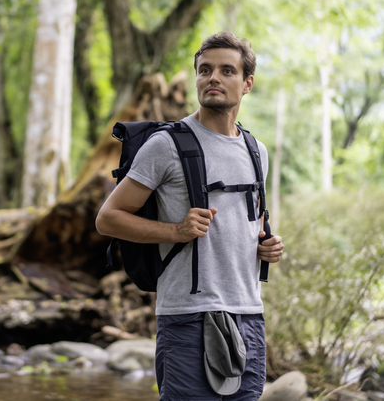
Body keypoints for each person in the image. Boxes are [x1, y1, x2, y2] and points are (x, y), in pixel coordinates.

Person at [95, 31, 285, 400]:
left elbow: (251, 221)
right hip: (187, 316)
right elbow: (108, 217)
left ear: (247, 84)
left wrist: (267, 244)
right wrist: (176, 229)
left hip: (248, 312)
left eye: (226, 70)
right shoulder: (165, 145)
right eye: (204, 70)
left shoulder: (256, 150)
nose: (212, 78)